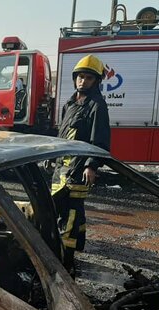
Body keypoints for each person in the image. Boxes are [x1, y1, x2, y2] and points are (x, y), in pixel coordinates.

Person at [52, 54, 110, 273]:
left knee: (69, 215)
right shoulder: (70, 103)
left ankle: (65, 261)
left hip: (77, 171)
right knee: (70, 211)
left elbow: (100, 140)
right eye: (80, 77)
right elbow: (63, 135)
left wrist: (91, 165)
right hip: (61, 168)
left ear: (96, 81)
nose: (82, 81)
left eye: (88, 78)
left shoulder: (97, 106)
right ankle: (80, 243)